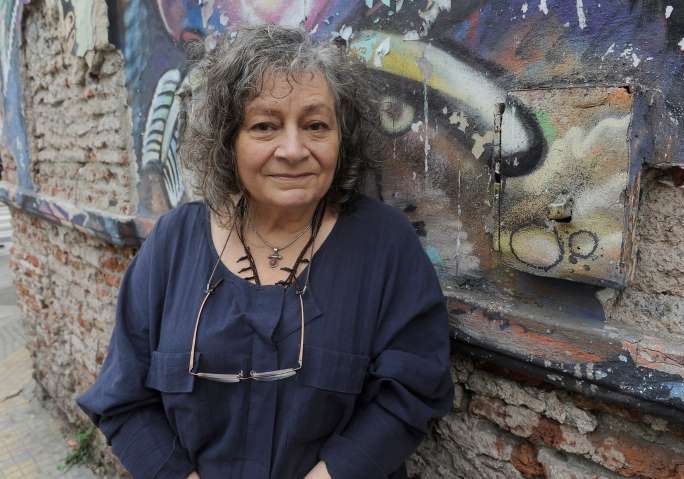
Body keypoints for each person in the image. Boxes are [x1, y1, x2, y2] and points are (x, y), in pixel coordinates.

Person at [77, 25, 453, 479]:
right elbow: (124, 400)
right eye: (264, 126)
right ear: (228, 141)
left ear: (342, 137)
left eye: (316, 126)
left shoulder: (385, 246)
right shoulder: (173, 244)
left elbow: (411, 393)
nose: (293, 150)